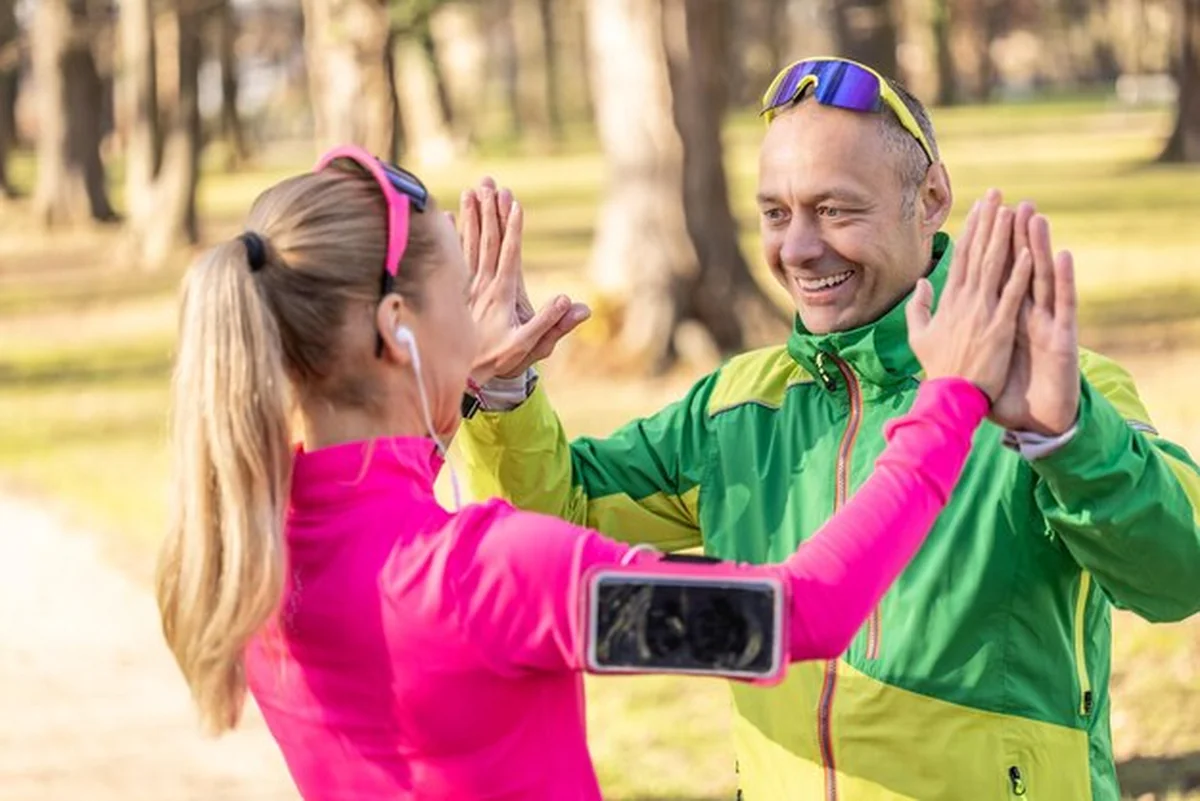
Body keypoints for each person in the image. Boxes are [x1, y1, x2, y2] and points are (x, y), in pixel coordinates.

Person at [153, 142, 1032, 801]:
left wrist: (461, 389)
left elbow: (374, 501)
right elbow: (797, 614)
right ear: (396, 330)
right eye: (462, 293)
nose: (478, 314)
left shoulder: (252, 543)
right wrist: (949, 398)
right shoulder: (498, 576)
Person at [456, 57, 1200, 800]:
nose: (798, 248)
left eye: (835, 210)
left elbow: (1179, 574)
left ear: (931, 197)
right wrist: (502, 392)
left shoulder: (1054, 388)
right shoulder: (732, 408)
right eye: (776, 213)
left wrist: (1067, 436)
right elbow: (555, 529)